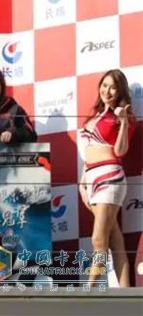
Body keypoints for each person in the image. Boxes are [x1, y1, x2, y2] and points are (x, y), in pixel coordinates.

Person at [79, 69, 136, 287]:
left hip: (110, 177)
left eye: (113, 87)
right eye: (104, 85)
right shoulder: (95, 115)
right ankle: (126, 293)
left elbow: (120, 151)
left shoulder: (123, 116)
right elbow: (88, 152)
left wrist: (123, 122)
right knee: (114, 239)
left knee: (98, 240)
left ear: (120, 90)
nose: (107, 91)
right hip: (91, 179)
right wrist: (82, 183)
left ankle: (89, 291)